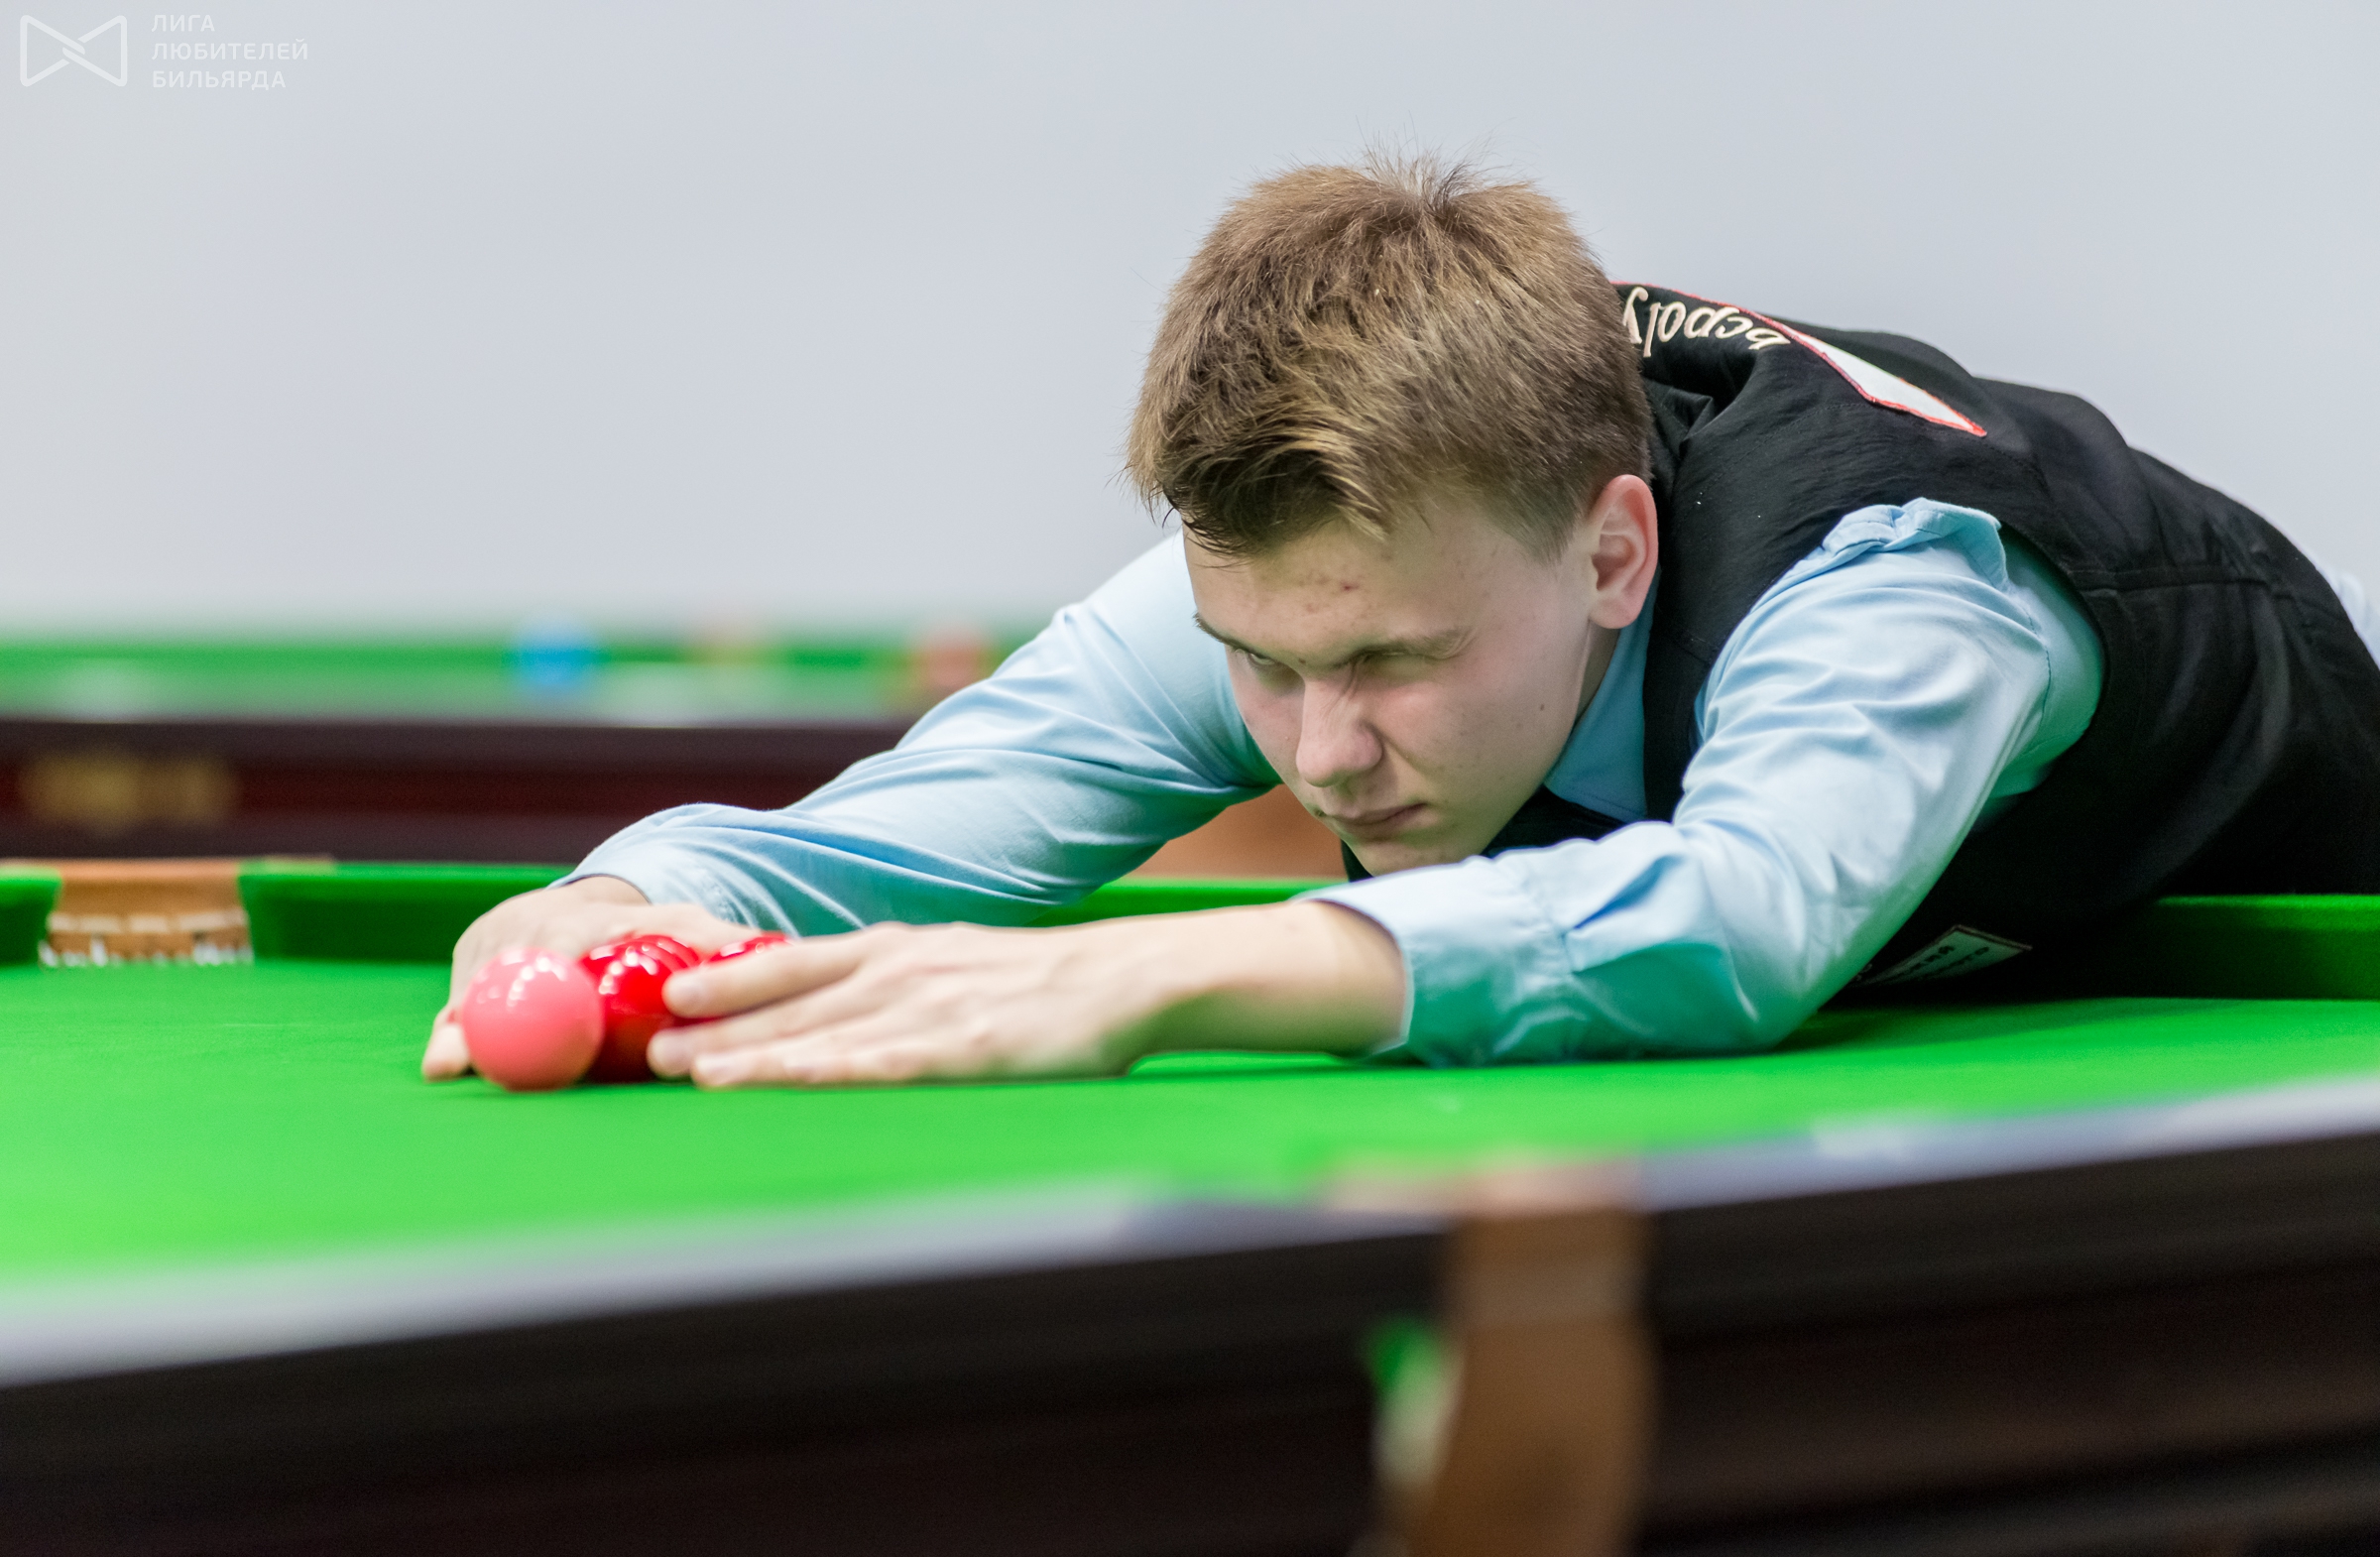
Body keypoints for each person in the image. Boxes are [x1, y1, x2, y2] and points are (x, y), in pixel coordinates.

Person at [422, 155, 2380, 1089]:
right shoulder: (1322, 573)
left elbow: (1742, 921)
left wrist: (1150, 975)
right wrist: (623, 902)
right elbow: (883, 838)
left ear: (1613, 554)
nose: (1318, 752)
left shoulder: (1894, 584)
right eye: (1264, 665)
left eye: (1389, 668)